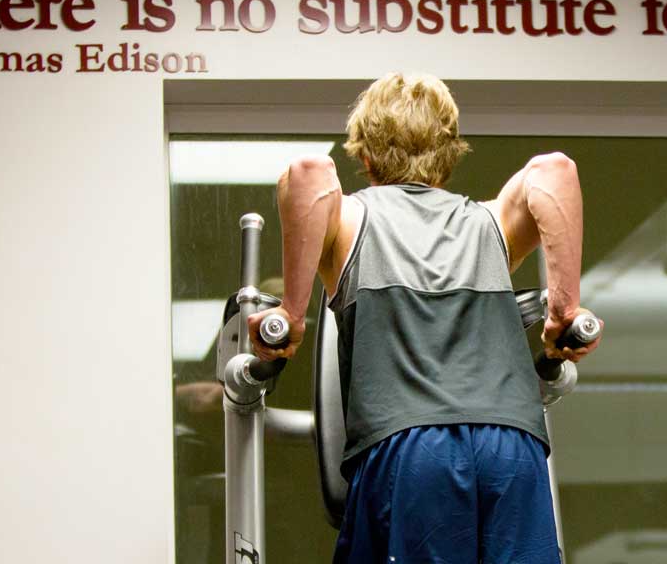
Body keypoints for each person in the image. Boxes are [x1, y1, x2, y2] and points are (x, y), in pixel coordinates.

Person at [247, 72, 599, 564]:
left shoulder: (350, 220)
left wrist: (292, 313)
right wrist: (565, 310)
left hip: (411, 448)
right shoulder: (491, 222)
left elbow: (308, 172)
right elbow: (554, 171)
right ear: (449, 152)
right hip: (512, 449)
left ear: (364, 154)